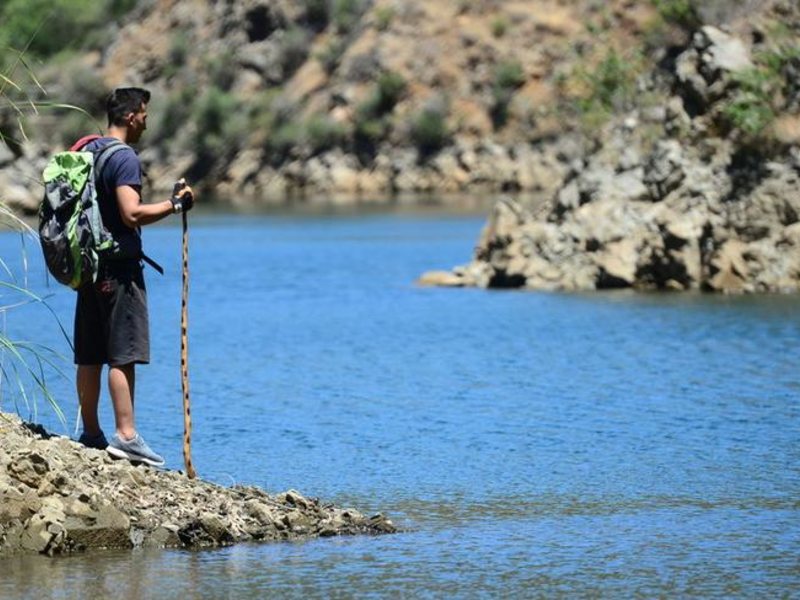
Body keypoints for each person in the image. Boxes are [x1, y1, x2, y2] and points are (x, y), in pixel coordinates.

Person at [75, 87, 194, 466]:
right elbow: (131, 213)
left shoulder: (88, 150)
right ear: (130, 116)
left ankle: (90, 434)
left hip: (89, 266)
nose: (146, 120)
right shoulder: (124, 157)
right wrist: (175, 205)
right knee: (122, 354)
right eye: (144, 113)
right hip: (118, 271)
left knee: (90, 353)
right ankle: (126, 436)